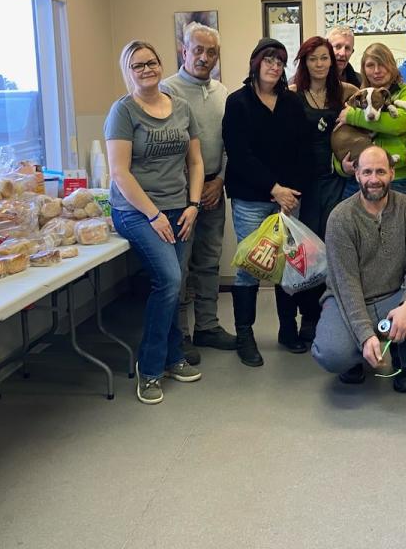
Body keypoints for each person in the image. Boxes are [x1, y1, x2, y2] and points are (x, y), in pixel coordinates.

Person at [105, 40, 203, 405]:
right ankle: (149, 369)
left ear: (161, 65)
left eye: (151, 62)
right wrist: (154, 214)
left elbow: (195, 162)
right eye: (137, 65)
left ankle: (174, 357)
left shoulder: (182, 107)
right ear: (127, 72)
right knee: (170, 279)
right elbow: (119, 172)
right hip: (136, 211)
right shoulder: (123, 112)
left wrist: (193, 204)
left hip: (180, 207)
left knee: (174, 286)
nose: (146, 69)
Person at [311, 146, 406, 393]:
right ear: (356, 174)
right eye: (367, 172)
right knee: (332, 354)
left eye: (380, 171)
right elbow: (346, 285)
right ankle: (356, 358)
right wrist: (365, 335)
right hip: (350, 300)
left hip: (395, 295)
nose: (374, 179)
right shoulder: (340, 218)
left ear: (392, 173)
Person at [222, 38, 311, 366]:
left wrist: (291, 192)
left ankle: (288, 330)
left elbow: (303, 150)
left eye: (280, 61)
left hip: (288, 199)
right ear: (256, 62)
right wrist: (274, 188)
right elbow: (240, 154)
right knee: (251, 267)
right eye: (269, 60)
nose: (275, 66)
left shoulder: (291, 103)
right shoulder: (238, 102)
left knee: (288, 267)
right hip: (251, 198)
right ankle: (245, 335)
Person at [161, 22, 238, 364]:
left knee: (209, 261)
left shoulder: (222, 93)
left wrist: (219, 179)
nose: (204, 58)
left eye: (211, 52)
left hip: (213, 189)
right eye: (198, 50)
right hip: (179, 195)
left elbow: (228, 143)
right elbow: (164, 148)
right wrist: (192, 192)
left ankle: (207, 326)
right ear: (184, 51)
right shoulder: (167, 91)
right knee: (180, 268)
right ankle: (180, 335)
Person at [289, 36, 358, 343]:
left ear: (333, 61)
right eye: (312, 58)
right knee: (307, 252)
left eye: (324, 58)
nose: (319, 64)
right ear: (304, 62)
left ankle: (337, 311)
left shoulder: (345, 92)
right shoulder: (292, 95)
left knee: (335, 248)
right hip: (303, 183)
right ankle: (309, 317)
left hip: (336, 181)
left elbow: (375, 102)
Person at [335, 43, 406, 201]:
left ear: (392, 64)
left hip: (402, 180)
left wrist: (352, 116)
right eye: (370, 65)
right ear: (364, 70)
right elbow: (341, 134)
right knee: (352, 225)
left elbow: (397, 124)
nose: (376, 71)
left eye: (382, 63)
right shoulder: (357, 96)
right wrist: (341, 166)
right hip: (360, 180)